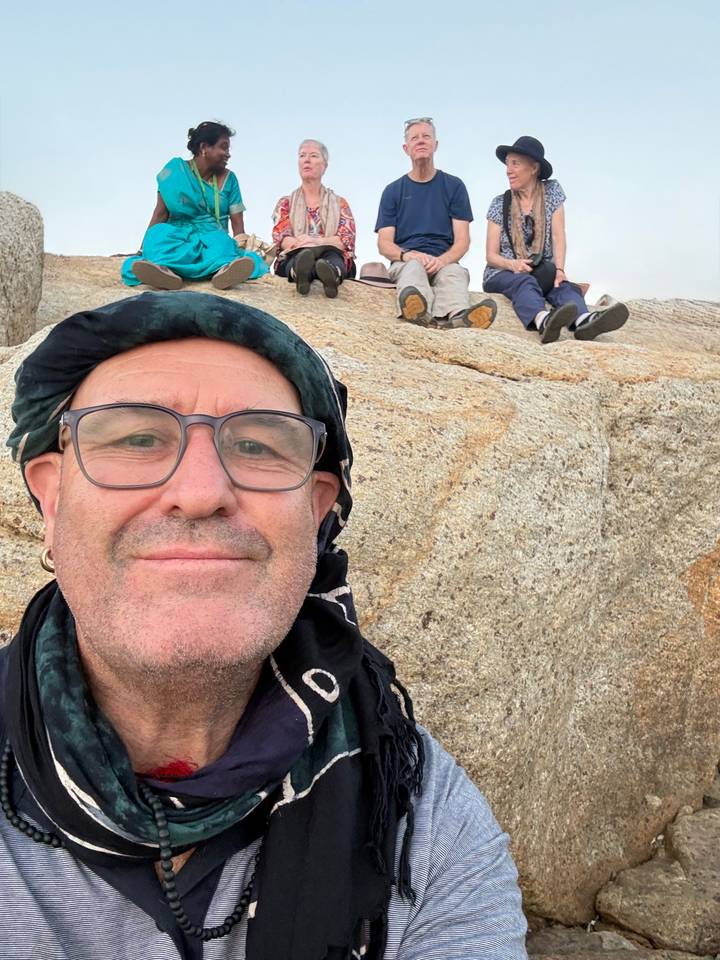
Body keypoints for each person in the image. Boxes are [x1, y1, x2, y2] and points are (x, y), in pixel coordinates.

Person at [1, 292, 528, 959]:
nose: (200, 492)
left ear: (316, 513)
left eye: (256, 445)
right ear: (51, 499)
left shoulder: (419, 816)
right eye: (136, 439)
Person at [483, 136, 629, 344]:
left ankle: (584, 321)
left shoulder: (552, 192)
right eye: (507, 164)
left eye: (515, 163)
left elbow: (558, 235)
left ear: (534, 168)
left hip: (541, 270)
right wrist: (513, 264)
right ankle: (543, 321)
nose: (508, 170)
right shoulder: (499, 204)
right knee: (524, 282)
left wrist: (559, 269)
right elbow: (491, 256)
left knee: (564, 286)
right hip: (502, 272)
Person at [375, 118, 497, 330]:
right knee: (413, 269)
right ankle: (418, 312)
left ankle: (459, 317)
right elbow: (384, 244)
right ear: (406, 148)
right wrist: (408, 255)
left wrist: (442, 261)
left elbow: (462, 241)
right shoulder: (392, 191)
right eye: (414, 138)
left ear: (435, 144)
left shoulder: (454, 186)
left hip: (444, 259)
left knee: (455, 273)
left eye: (426, 136)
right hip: (407, 259)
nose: (421, 141)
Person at [122, 121, 268, 291]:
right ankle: (164, 272)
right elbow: (160, 214)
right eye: (224, 147)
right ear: (204, 147)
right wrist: (143, 249)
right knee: (158, 235)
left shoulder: (230, 179)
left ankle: (224, 270)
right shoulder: (174, 172)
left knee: (223, 244)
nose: (228, 154)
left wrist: (240, 248)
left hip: (212, 236)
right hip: (179, 235)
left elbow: (237, 222)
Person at [271, 140, 356, 299]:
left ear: (325, 166)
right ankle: (300, 274)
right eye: (302, 156)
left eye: (314, 156)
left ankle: (331, 276)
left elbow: (345, 241)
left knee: (331, 257)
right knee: (301, 256)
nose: (307, 160)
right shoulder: (286, 203)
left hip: (330, 252)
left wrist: (316, 242)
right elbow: (282, 238)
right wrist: (305, 246)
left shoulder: (339, 203)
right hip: (297, 251)